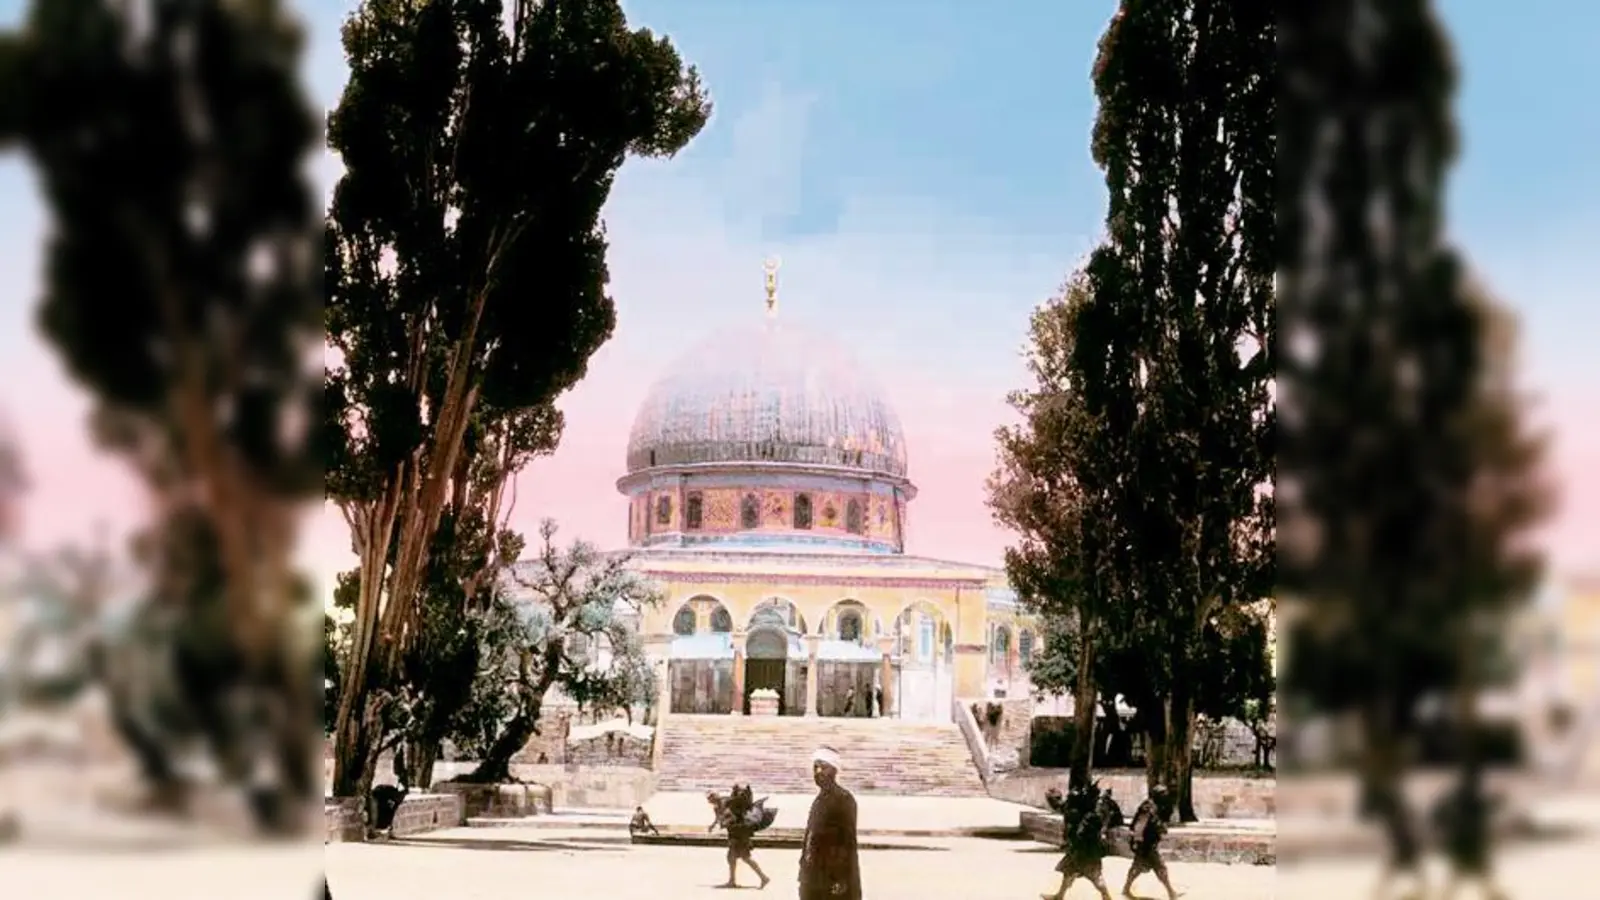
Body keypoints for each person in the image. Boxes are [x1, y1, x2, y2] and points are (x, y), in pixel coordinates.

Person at [800, 747, 860, 900]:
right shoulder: (819, 800)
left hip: (832, 879)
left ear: (834, 770)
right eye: (815, 767)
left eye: (823, 767)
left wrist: (840, 877)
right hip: (813, 875)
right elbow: (810, 837)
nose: (818, 772)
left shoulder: (843, 799)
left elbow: (847, 842)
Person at [1041, 782, 1112, 900]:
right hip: (1084, 847)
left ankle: (1107, 897)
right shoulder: (1083, 810)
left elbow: (1072, 830)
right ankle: (1059, 896)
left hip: (1083, 849)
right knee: (1069, 871)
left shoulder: (1071, 810)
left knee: (1094, 875)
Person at [1123, 785, 1180, 900]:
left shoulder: (1155, 806)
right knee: (1160, 868)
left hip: (1148, 844)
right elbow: (1140, 825)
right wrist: (1137, 841)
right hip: (1146, 845)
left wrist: (1160, 827)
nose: (1165, 797)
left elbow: (1154, 822)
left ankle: (1126, 888)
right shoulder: (1148, 807)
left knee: (1138, 867)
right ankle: (1171, 893)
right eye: (1163, 794)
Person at [711, 782, 769, 889]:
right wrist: (714, 824)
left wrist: (724, 823)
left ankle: (763, 877)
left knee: (745, 857)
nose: (711, 800)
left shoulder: (729, 803)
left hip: (739, 834)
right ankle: (732, 880)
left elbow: (733, 818)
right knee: (731, 857)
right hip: (734, 834)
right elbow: (721, 818)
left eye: (712, 797)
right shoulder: (721, 806)